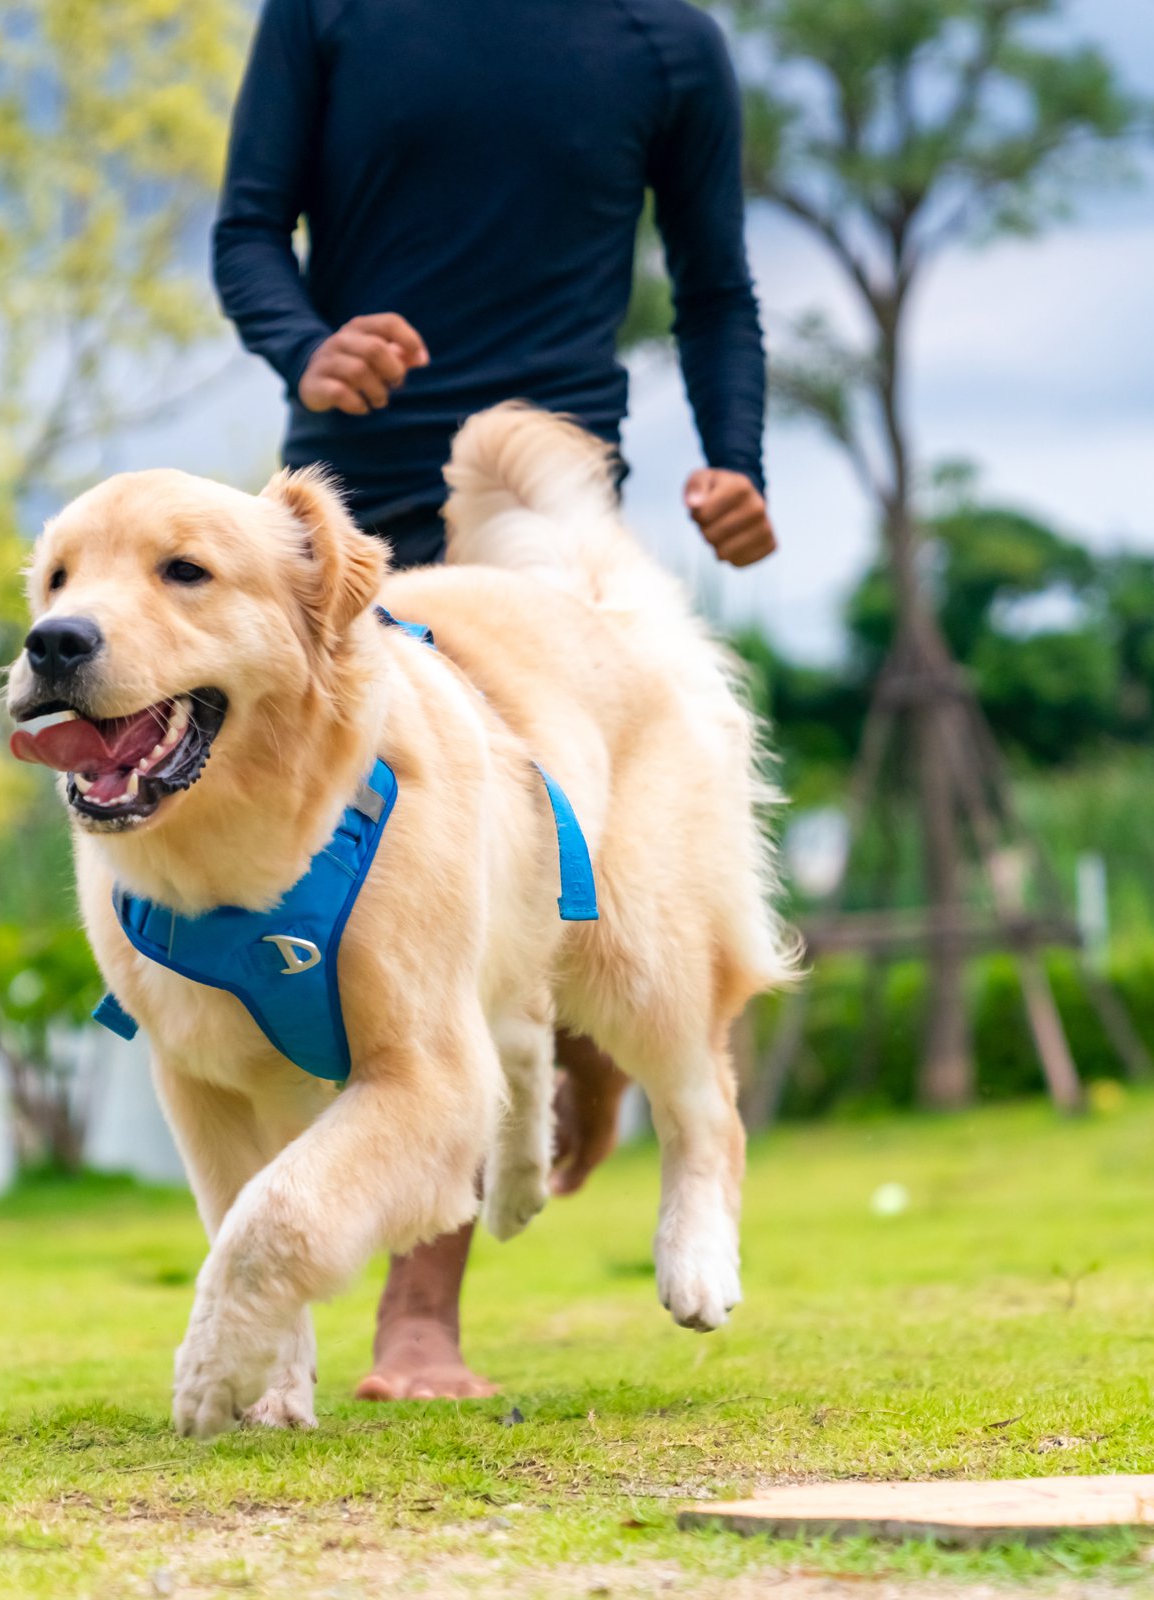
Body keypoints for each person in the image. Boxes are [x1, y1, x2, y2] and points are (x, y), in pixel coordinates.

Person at [212, 0, 775, 1401]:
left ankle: (433, 1301)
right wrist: (309, 347)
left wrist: (737, 458)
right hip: (341, 526)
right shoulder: (332, 14)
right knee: (385, 904)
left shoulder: (665, 44)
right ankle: (516, 1116)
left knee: (533, 895)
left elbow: (715, 288)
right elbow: (246, 233)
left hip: (543, 523)